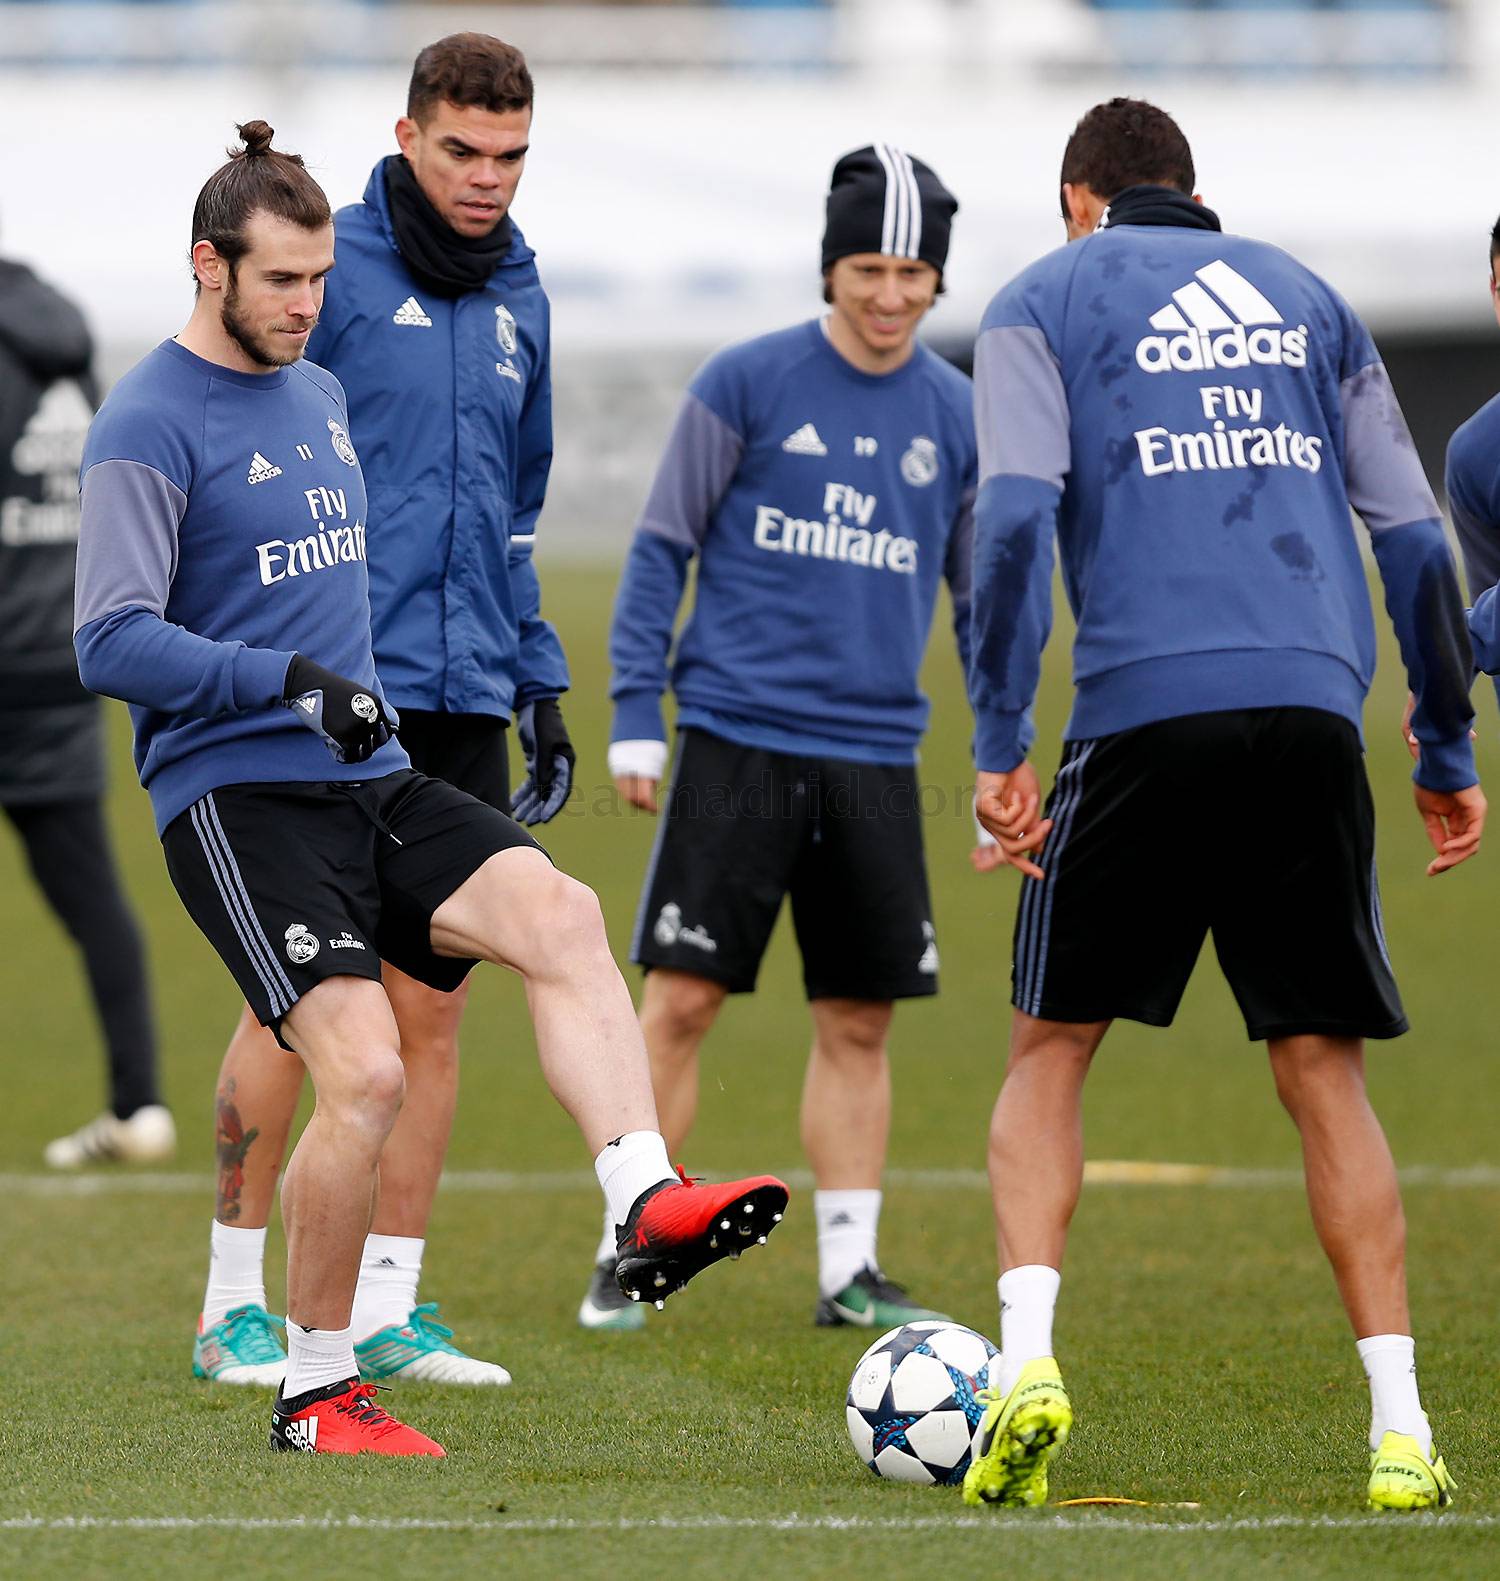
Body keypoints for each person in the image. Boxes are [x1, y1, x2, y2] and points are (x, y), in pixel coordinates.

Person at [75, 122, 787, 1455]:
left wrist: (520, 667)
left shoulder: (319, 392)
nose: (309, 307)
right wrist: (283, 679)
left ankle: (644, 1198)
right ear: (206, 266)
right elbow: (107, 637)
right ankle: (315, 1384)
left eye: (322, 279)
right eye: (282, 282)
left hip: (375, 777)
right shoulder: (145, 419)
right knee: (367, 1072)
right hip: (239, 799)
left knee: (564, 914)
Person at [961, 97, 1483, 1512]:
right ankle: (1400, 1426)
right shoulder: (1309, 301)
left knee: (1048, 1048)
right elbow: (1423, 544)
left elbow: (1012, 514)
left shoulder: (1038, 299)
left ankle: (1026, 1366)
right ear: (1194, 193)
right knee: (1324, 1073)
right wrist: (1444, 742)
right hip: (1314, 706)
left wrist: (1001, 736)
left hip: (1141, 704)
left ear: (1079, 197)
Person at [189, 33, 577, 1390]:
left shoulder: (524, 289)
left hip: (463, 687)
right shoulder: (329, 267)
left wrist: (537, 671)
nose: (487, 179)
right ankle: (235, 1301)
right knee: (296, 1002)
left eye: (511, 155)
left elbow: (513, 510)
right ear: (407, 136)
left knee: (432, 1016)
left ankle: (390, 1308)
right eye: (462, 149)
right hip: (331, 689)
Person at [587, 144, 989, 1334]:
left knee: (858, 1018)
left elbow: (984, 603)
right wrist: (630, 718)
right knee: (682, 1002)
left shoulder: (960, 415)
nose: (889, 293)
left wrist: (1004, 756)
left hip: (874, 757)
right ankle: (631, 1242)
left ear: (936, 282)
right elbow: (662, 546)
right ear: (832, 266)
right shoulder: (747, 380)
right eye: (868, 265)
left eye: (913, 271)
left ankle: (847, 1271)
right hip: (735, 741)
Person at [0, 241, 173, 1168]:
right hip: (66, 671)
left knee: (89, 899)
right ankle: (139, 1101)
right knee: (93, 899)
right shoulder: (75, 365)